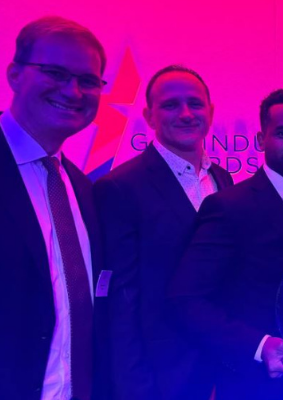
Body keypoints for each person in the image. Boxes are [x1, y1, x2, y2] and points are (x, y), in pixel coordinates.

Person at [167, 88, 283, 399]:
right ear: (261, 140)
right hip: (257, 384)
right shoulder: (229, 206)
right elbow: (187, 299)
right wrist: (259, 346)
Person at [0, 16, 110, 400]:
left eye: (87, 81)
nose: (72, 91)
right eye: (54, 73)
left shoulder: (83, 188)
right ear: (15, 74)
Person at [93, 65, 233, 400]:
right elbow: (120, 304)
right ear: (149, 116)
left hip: (223, 368)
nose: (185, 114)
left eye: (195, 104)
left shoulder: (223, 180)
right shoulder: (120, 187)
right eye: (170, 105)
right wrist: (133, 388)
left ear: (210, 112)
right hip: (160, 378)